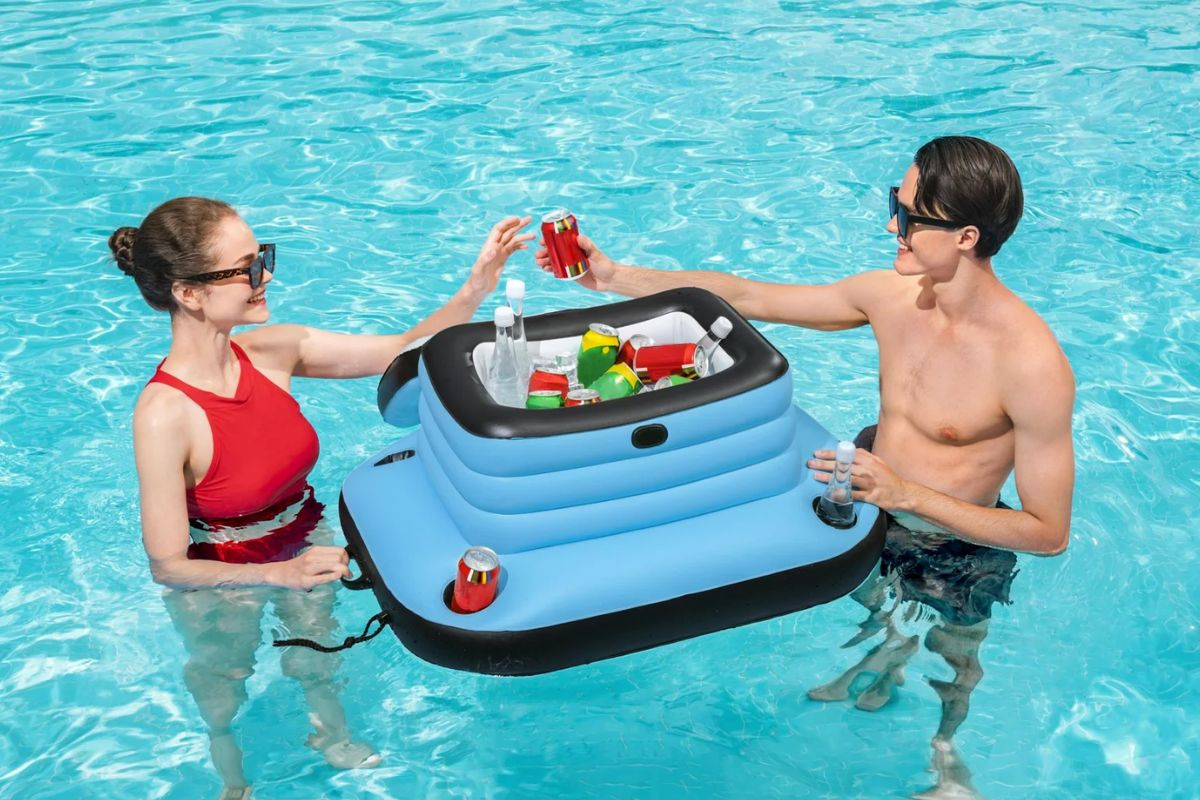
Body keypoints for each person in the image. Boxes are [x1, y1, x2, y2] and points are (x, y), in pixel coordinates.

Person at [535, 136, 1075, 798]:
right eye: (893, 205)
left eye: (909, 217)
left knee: (955, 659)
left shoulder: (1029, 364)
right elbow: (746, 298)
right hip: (871, 507)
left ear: (966, 236)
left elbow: (1048, 532)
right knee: (879, 610)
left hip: (954, 542)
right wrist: (614, 277)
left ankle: (947, 755)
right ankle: (884, 662)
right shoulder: (891, 298)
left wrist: (909, 491)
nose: (890, 227)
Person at [112, 197, 532, 799]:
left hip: (303, 538)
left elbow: (402, 350)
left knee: (318, 654)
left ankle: (328, 734)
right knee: (224, 677)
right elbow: (169, 566)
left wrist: (475, 288)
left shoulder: (272, 350)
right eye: (248, 268)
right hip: (222, 568)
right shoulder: (162, 415)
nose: (267, 277)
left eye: (263, 259)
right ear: (190, 293)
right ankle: (231, 775)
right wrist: (279, 576)